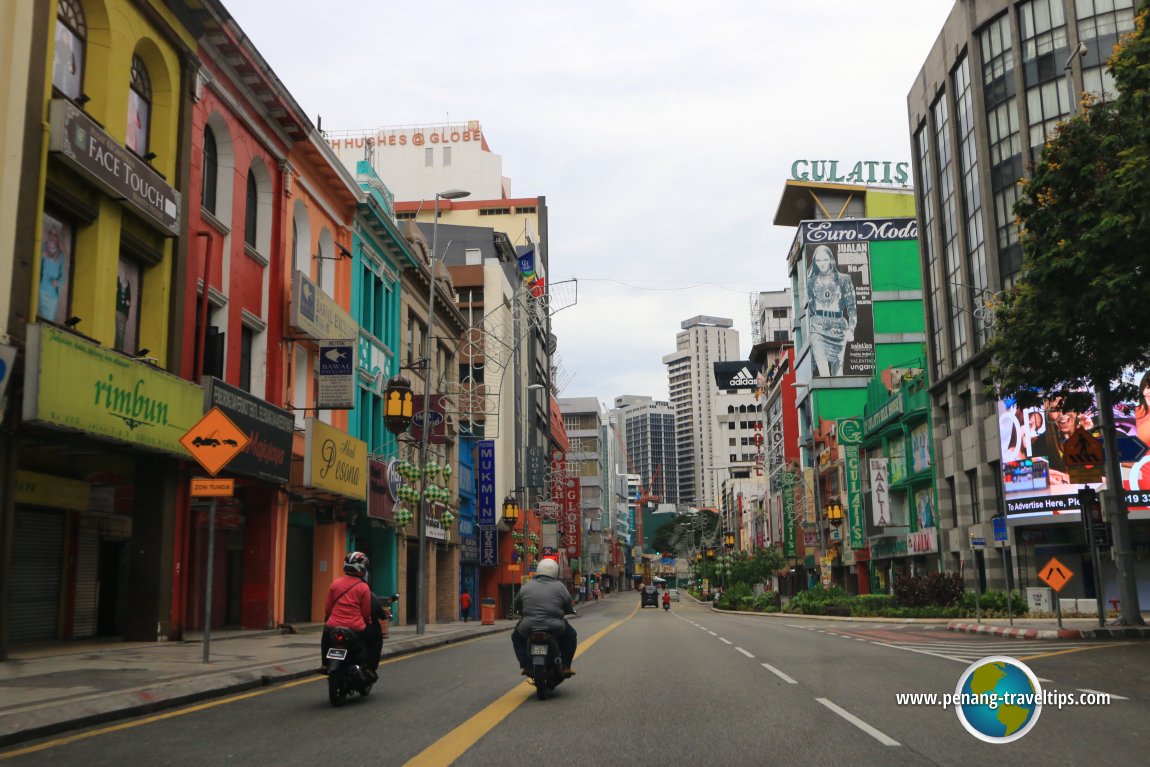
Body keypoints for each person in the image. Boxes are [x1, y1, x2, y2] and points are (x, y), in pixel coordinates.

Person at [511, 557, 577, 677]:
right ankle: (566, 666)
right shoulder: (560, 586)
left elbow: (516, 604)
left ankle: (525, 665)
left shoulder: (526, 586)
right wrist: (570, 611)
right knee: (571, 636)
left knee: (516, 637)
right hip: (555, 626)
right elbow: (568, 604)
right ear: (555, 572)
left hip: (528, 626)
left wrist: (519, 612)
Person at [320, 551, 376, 681]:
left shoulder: (335, 583)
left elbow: (328, 607)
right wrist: (368, 622)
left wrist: (329, 619)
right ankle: (365, 666)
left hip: (333, 624)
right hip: (355, 627)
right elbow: (366, 612)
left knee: (326, 639)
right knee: (369, 641)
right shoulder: (363, 587)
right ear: (362, 568)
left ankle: (324, 663)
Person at [806, 244, 857, 377]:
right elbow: (811, 306)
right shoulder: (810, 282)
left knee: (838, 373)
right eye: (818, 261)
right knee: (824, 373)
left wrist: (851, 329)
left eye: (825, 260)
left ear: (831, 260)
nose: (822, 264)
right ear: (814, 262)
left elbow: (851, 307)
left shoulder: (844, 279)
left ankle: (840, 398)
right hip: (818, 328)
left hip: (839, 328)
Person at [38, 223, 66, 323]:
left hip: (52, 295)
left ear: (58, 238)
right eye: (51, 234)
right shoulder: (42, 247)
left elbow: (63, 276)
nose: (53, 237)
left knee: (48, 321)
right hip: (40, 290)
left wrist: (57, 282)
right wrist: (41, 256)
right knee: (37, 318)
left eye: (55, 235)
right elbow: (33, 263)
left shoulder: (61, 256)